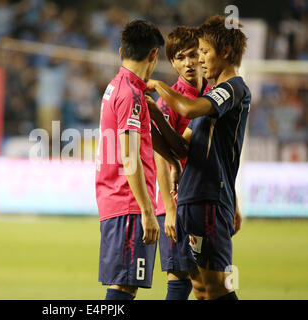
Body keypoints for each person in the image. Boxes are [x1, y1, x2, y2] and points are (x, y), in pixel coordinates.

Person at [147, 15, 248, 300]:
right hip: (191, 203)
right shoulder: (210, 97)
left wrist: (157, 87)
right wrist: (151, 116)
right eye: (190, 55)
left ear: (224, 52)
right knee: (201, 289)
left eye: (202, 52)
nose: (198, 61)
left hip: (209, 202)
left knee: (214, 287)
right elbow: (181, 149)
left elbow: (189, 111)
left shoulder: (227, 91)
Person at [96, 20, 180, 300]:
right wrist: (146, 210)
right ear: (154, 55)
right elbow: (129, 157)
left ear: (121, 52)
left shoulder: (117, 87)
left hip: (116, 199)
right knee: (125, 286)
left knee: (124, 283)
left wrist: (174, 161)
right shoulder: (131, 95)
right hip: (129, 203)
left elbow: (141, 140)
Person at [152, 26, 211, 300]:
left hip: (207, 201)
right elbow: (160, 158)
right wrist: (170, 208)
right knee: (179, 279)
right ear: (172, 62)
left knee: (205, 283)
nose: (187, 63)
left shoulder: (214, 95)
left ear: (202, 55)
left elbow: (218, 156)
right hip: (178, 203)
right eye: (179, 57)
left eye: (191, 55)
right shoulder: (169, 100)